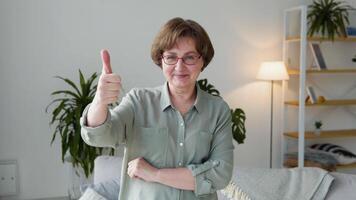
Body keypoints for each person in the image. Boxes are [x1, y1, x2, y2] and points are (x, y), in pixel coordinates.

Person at [80, 17, 234, 200]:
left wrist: (154, 174)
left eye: (190, 57)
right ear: (161, 60)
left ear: (202, 61)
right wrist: (100, 101)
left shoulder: (218, 110)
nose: (179, 66)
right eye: (171, 57)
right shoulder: (138, 101)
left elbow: (220, 174)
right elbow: (100, 135)